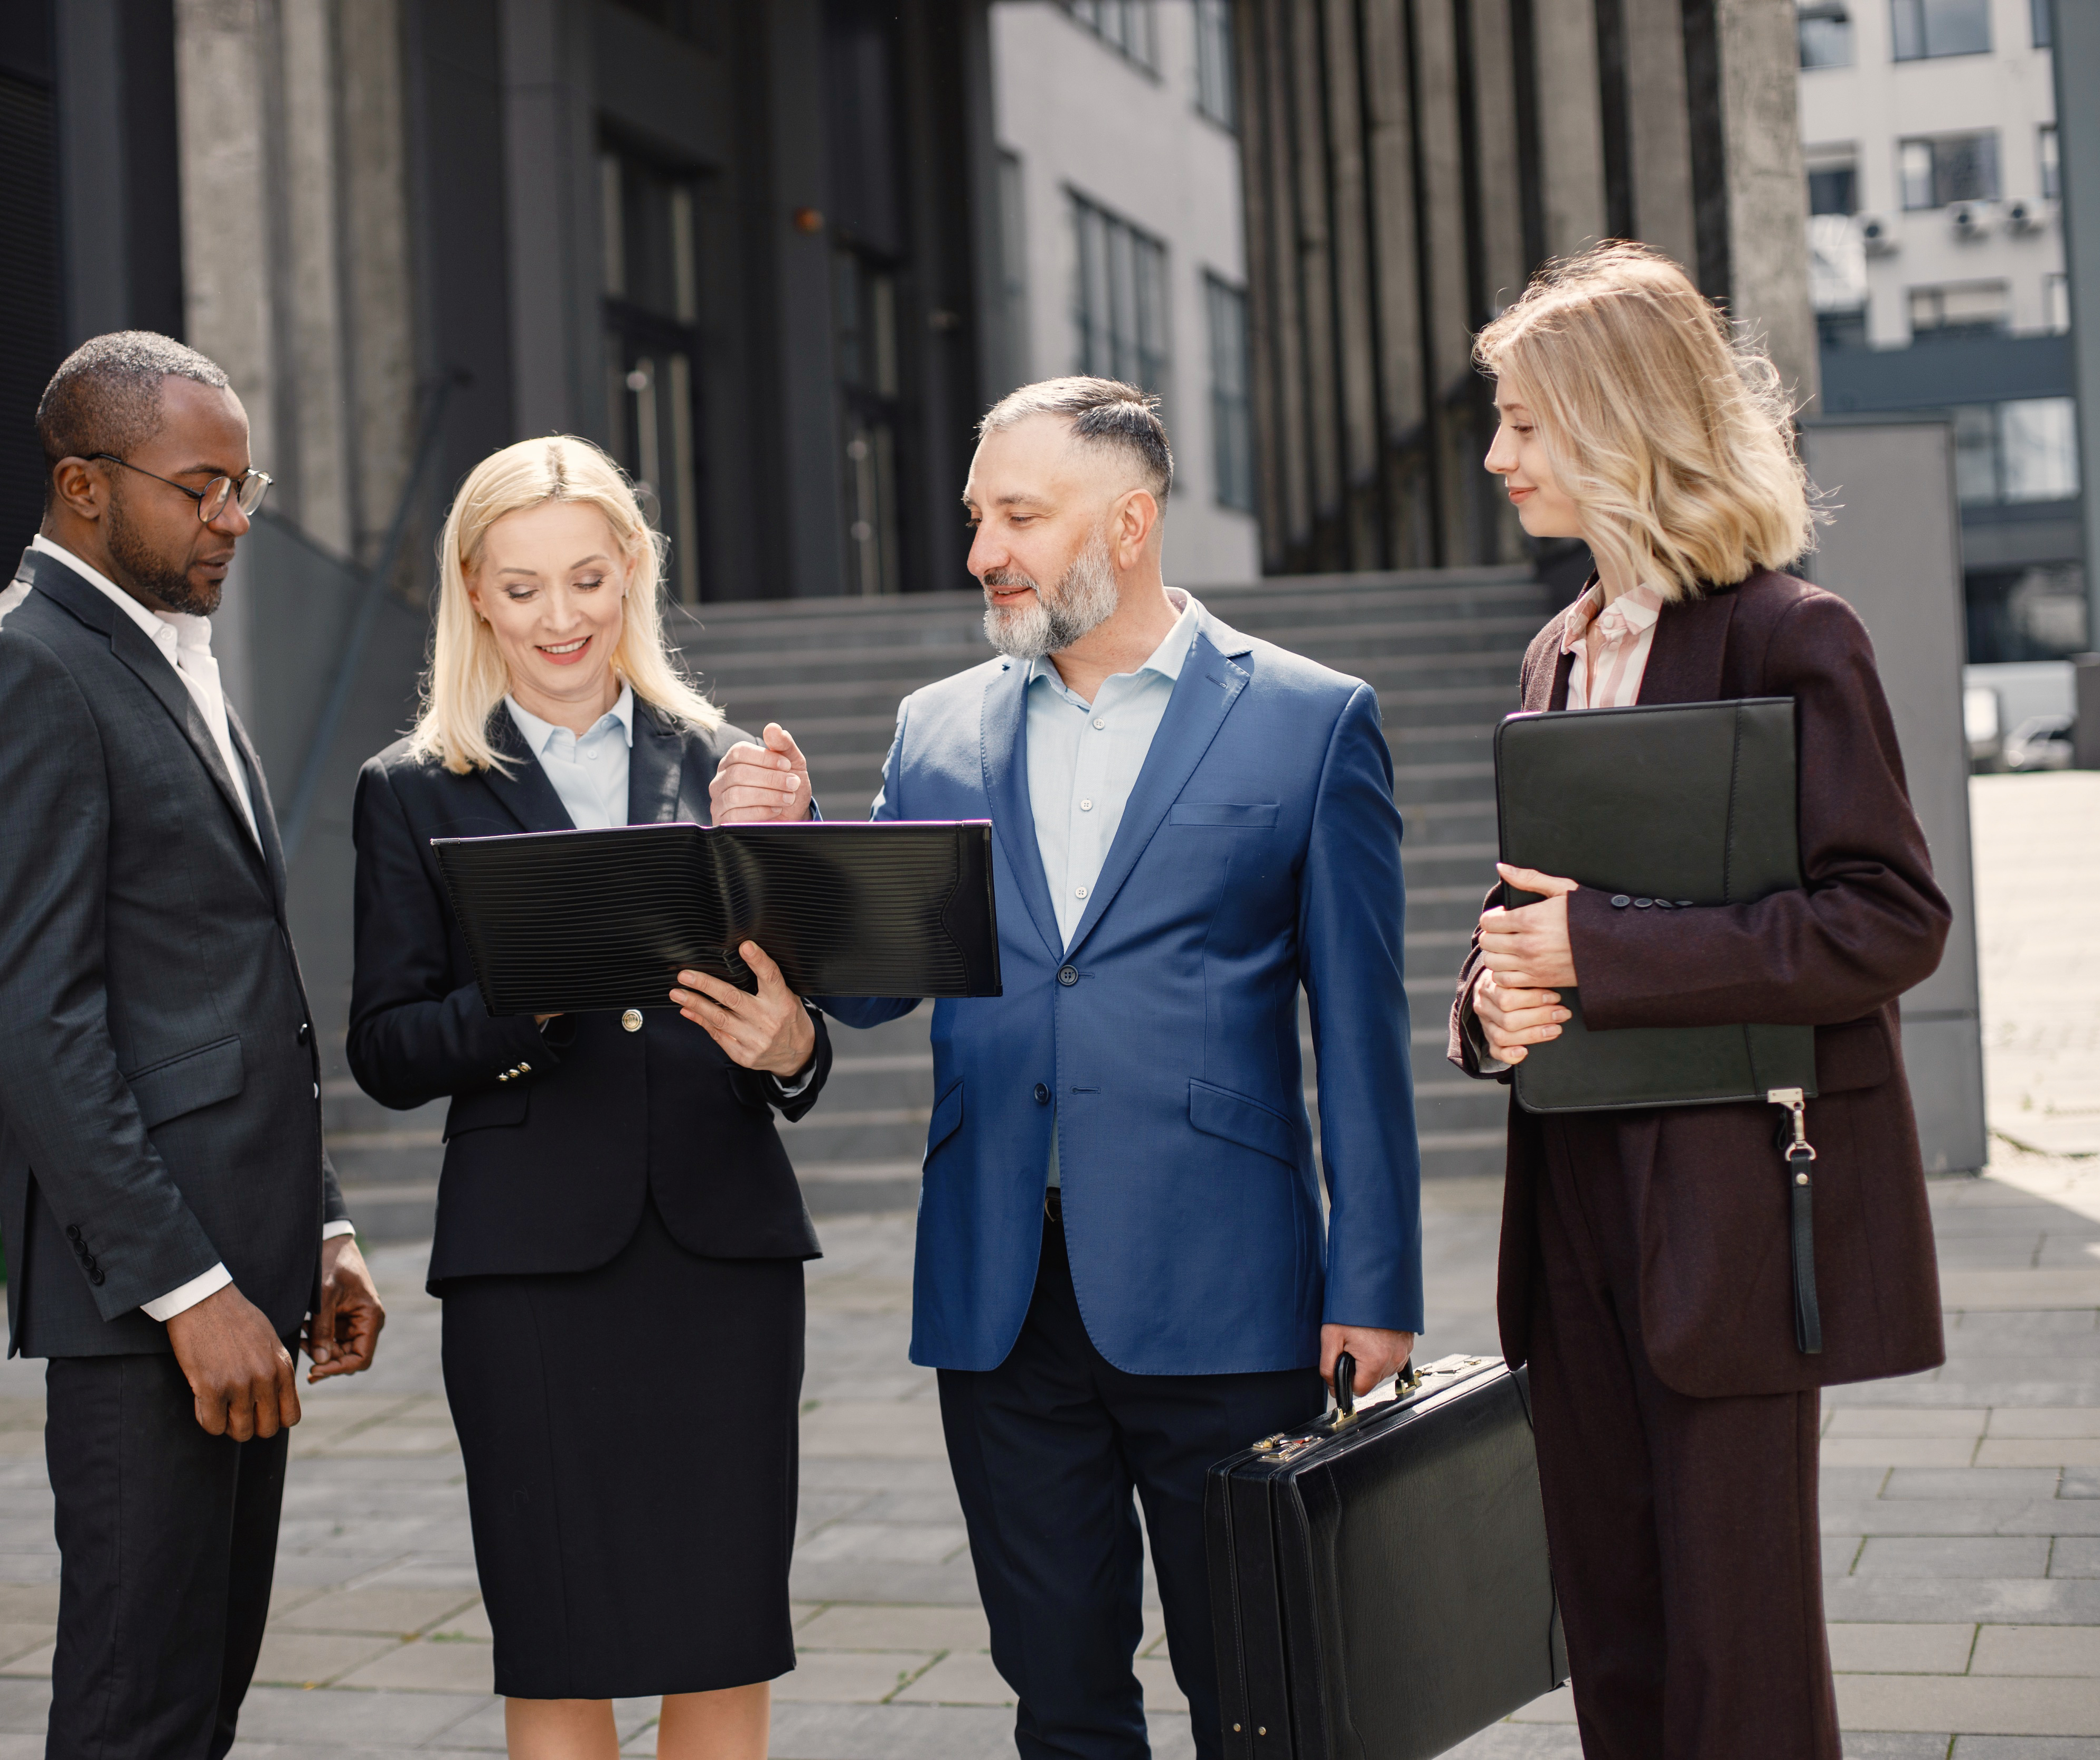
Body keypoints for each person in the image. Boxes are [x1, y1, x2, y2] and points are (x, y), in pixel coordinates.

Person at [713, 378, 1422, 1760]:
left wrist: (1375, 1285)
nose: (985, 548)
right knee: (1059, 1689)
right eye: (980, 514)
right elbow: (865, 988)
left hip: (1228, 1291)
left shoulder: (1311, 718)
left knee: (1265, 1686)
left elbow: (1361, 1026)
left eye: (1019, 515)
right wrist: (796, 850)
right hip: (999, 1293)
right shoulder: (939, 726)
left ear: (1133, 519)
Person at [1450, 243, 1952, 1760]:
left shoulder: (1795, 634)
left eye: (1529, 422)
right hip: (1578, 1205)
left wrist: (1601, 951)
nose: (1499, 454)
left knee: (1740, 1654)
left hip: (1734, 1206)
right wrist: (1493, 1003)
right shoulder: (1558, 648)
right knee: (1613, 1628)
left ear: (1619, 422)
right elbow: (1536, 917)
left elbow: (1889, 916)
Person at [0, 332, 385, 1760]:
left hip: (247, 1271)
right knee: (136, 1711)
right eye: (203, 486)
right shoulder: (24, 670)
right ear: (83, 484)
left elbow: (215, 983)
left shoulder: (165, 652)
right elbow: (35, 1017)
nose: (234, 516)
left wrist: (318, 1225)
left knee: (197, 1701)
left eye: (244, 483)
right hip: (153, 1308)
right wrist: (191, 1290)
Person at [346, 435, 831, 1760]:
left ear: (633, 575)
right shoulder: (409, 789)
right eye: (521, 589)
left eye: (586, 578)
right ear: (472, 593)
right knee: (557, 1633)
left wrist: (789, 1041)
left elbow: (802, 1035)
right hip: (531, 1269)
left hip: (722, 1255)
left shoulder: (733, 765)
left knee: (725, 1630)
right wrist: (529, 998)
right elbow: (384, 1046)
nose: (559, 619)